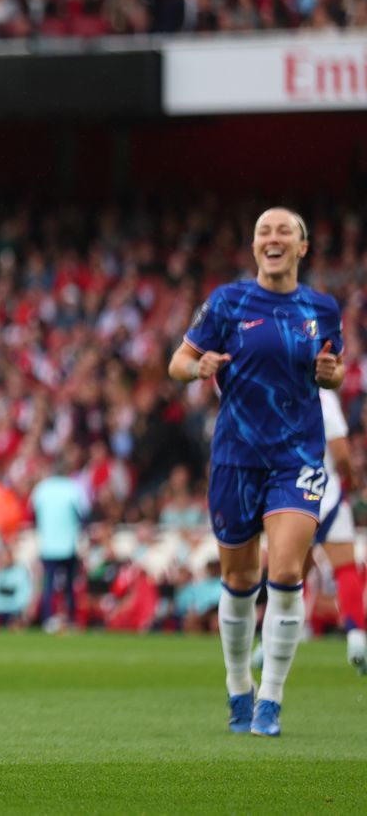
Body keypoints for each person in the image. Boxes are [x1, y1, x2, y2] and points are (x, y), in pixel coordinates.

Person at [168, 206, 344, 737]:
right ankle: (238, 683)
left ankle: (271, 697)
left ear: (301, 246)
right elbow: (177, 362)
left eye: (283, 230)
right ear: (254, 248)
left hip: (297, 457)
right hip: (236, 458)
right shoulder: (228, 301)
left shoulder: (322, 308)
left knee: (287, 572)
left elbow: (330, 376)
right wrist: (197, 367)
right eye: (264, 231)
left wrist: (330, 375)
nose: (273, 237)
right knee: (239, 579)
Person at [312, 387, 364, 672]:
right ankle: (356, 636)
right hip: (326, 491)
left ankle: (268, 649)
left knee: (288, 577)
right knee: (345, 567)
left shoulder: (280, 388)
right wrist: (351, 478)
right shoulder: (323, 397)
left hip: (289, 493)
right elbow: (340, 451)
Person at [31, 452, 91, 632]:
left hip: (48, 544)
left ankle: (49, 619)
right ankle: (70, 619)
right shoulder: (74, 488)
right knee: (70, 585)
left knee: (49, 583)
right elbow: (84, 514)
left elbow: (33, 513)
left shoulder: (42, 488)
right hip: (68, 544)